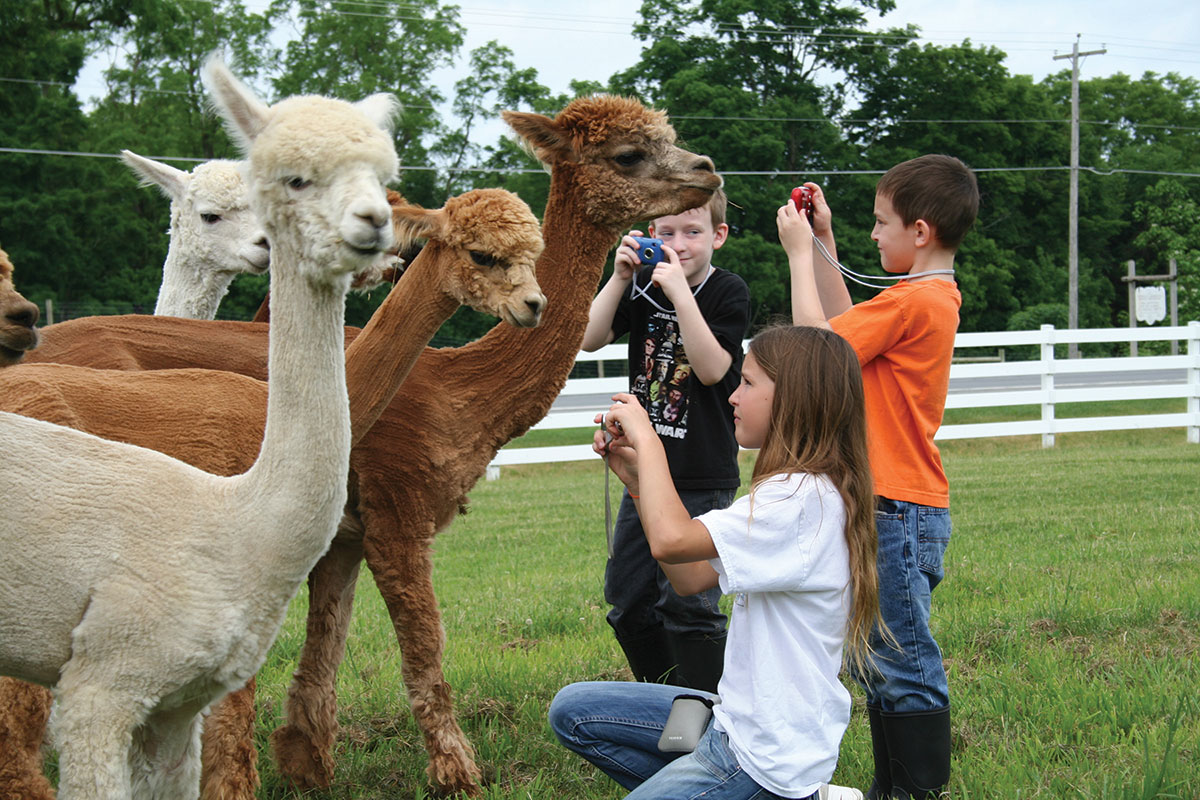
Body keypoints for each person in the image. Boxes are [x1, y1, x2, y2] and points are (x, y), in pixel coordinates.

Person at [549, 324, 883, 800]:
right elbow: (690, 578)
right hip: (732, 718)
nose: (732, 397)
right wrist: (638, 483)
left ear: (795, 398)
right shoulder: (791, 491)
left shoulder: (800, 501)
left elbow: (670, 541)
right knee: (573, 711)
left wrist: (650, 443)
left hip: (761, 761)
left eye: (748, 383)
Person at [778, 154, 980, 800]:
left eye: (880, 223)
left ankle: (918, 791)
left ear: (919, 232)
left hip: (897, 507)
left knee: (901, 659)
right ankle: (895, 789)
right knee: (880, 659)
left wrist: (797, 253)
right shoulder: (920, 298)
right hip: (887, 505)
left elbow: (818, 343)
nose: (873, 234)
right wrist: (826, 242)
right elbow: (846, 329)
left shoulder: (919, 300)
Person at [581, 188, 750, 693]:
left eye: (693, 232)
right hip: (644, 472)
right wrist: (619, 278)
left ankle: (709, 712)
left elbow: (713, 368)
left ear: (718, 236)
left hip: (700, 472)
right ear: (650, 235)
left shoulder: (728, 291)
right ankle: (663, 697)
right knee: (628, 598)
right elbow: (588, 338)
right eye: (666, 232)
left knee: (688, 603)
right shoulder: (640, 289)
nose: (678, 243)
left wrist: (679, 293)